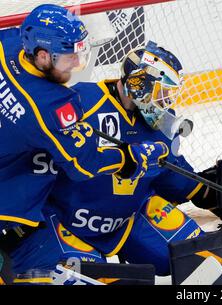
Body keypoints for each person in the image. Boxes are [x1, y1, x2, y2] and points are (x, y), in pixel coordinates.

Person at [7, 41, 222, 283]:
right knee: (85, 279)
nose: (166, 102)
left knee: (201, 260)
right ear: (139, 83)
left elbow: (168, 169)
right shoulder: (82, 103)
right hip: (67, 223)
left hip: (130, 218)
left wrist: (207, 192)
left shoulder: (161, 121)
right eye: (162, 92)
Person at [0, 5, 165, 235]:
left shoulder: (7, 42)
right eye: (68, 57)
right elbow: (83, 165)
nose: (76, 64)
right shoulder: (52, 105)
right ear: (42, 56)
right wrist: (128, 158)